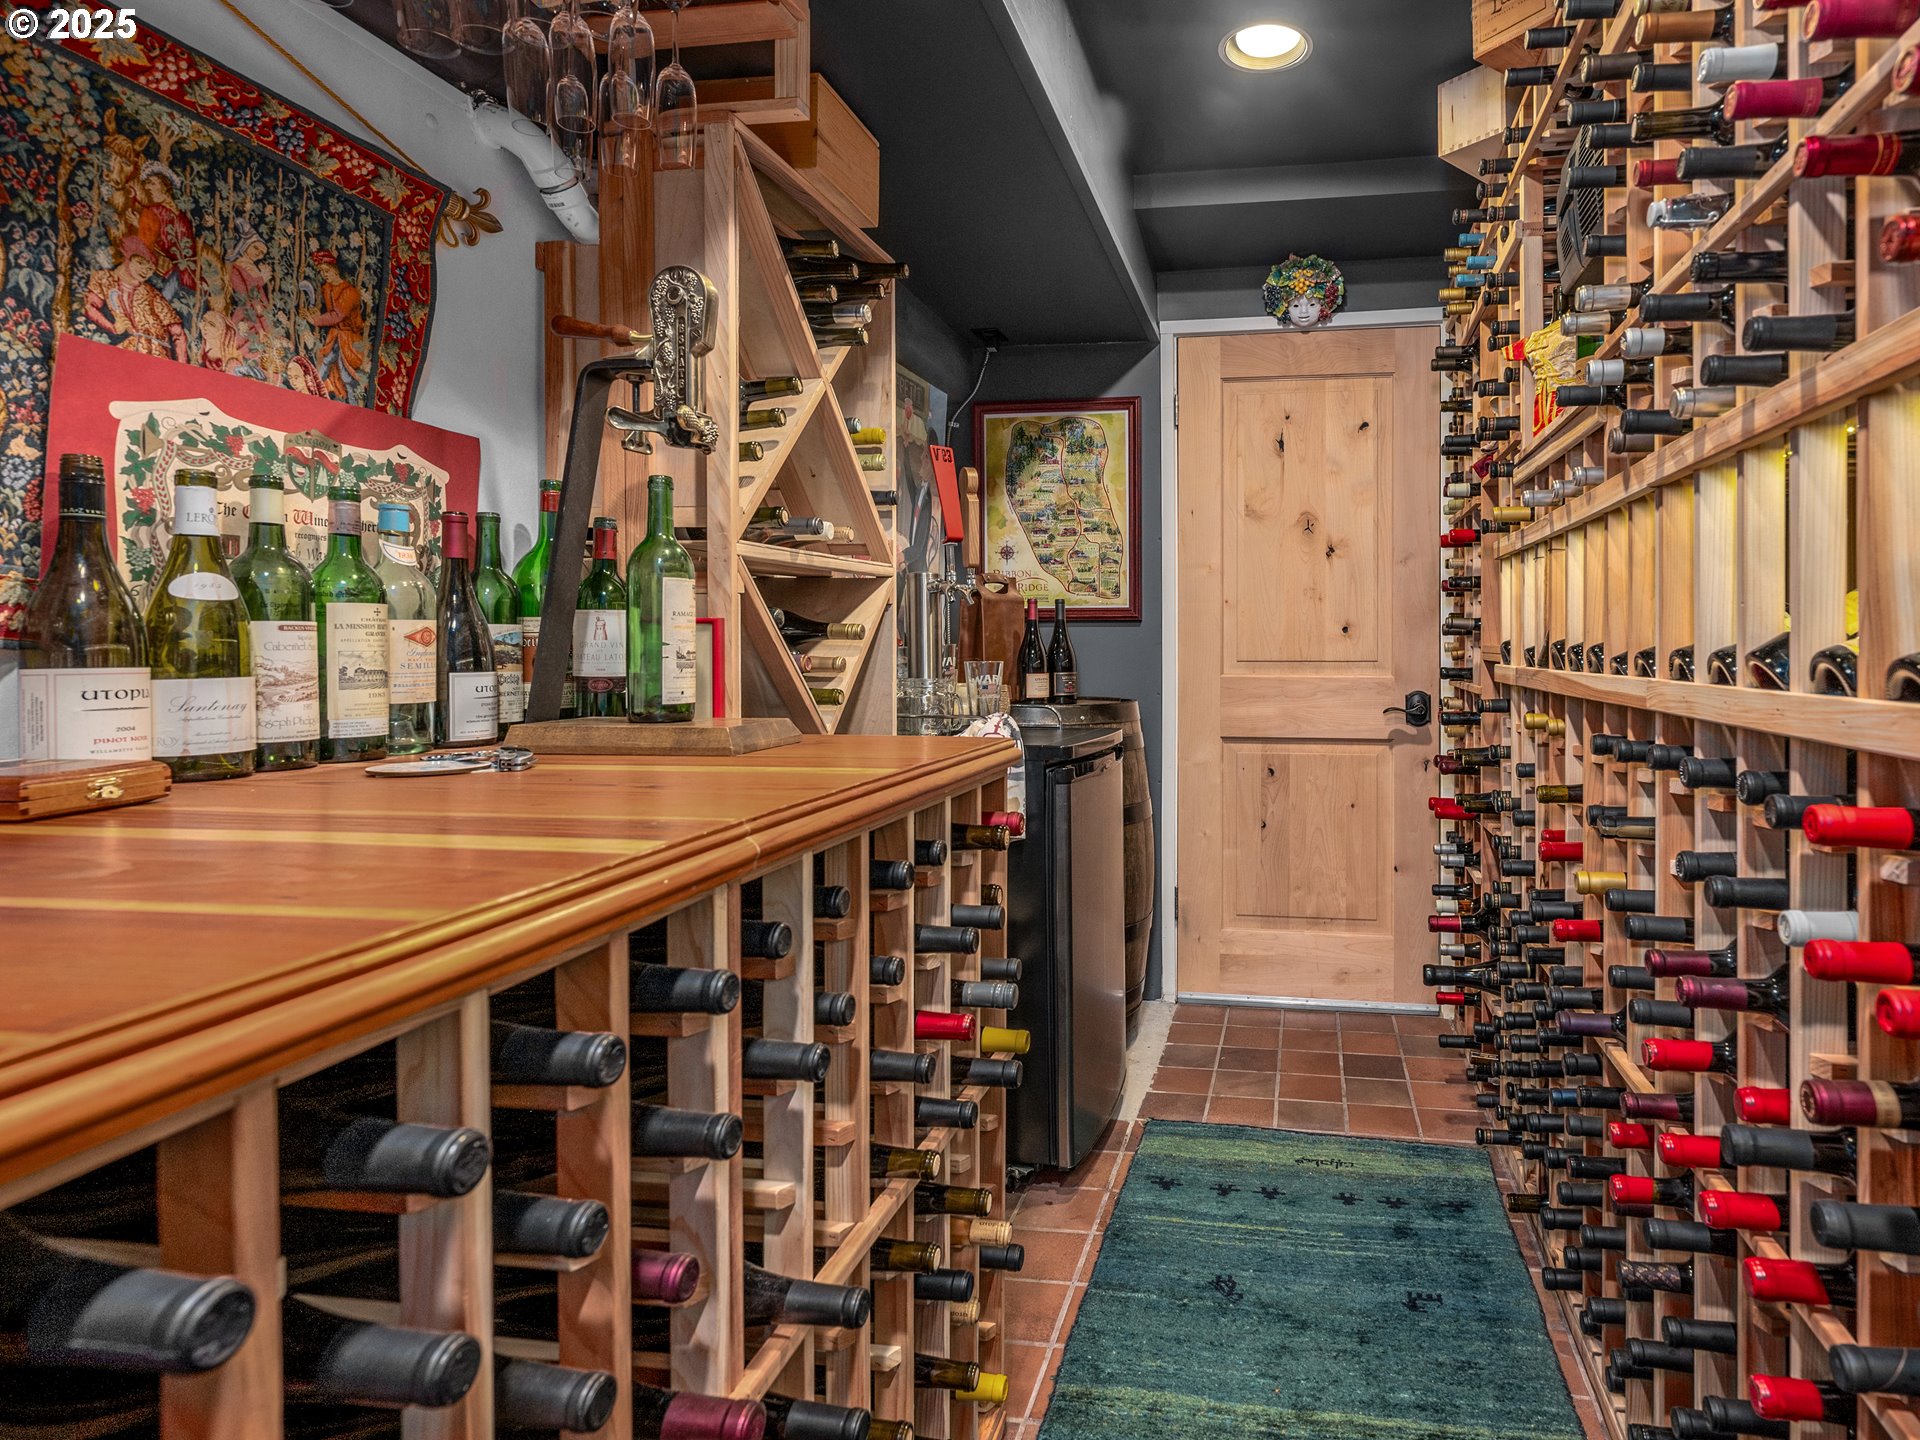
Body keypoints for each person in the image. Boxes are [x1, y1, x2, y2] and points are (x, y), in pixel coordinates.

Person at [83, 243, 188, 363]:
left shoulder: (151, 293)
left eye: (150, 268)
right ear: (128, 257)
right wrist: (113, 327)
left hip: (156, 353)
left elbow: (178, 332)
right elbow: (90, 306)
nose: (145, 271)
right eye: (141, 263)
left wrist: (181, 365)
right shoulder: (104, 278)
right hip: (129, 349)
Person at [306, 248, 366, 400]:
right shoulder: (327, 288)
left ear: (335, 269)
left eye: (326, 270)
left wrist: (316, 320)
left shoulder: (349, 292)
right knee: (325, 362)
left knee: (345, 374)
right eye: (321, 271)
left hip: (348, 338)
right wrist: (315, 315)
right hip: (335, 336)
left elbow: (337, 315)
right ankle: (313, 396)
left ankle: (352, 404)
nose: (324, 274)